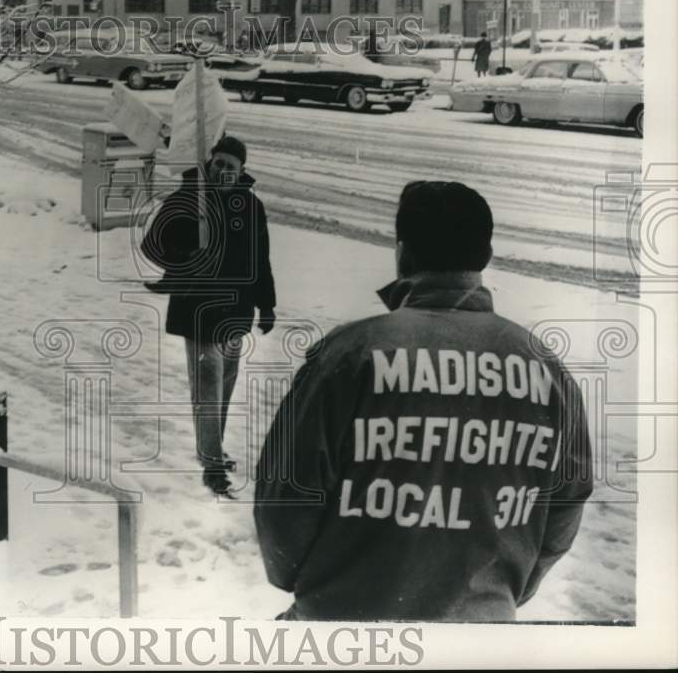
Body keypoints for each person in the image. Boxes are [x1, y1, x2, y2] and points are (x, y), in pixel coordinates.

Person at [254, 181, 592, 621]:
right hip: (481, 633)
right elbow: (567, 502)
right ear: (485, 257)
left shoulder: (351, 353)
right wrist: (502, 590)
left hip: (345, 629)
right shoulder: (544, 366)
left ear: (403, 254)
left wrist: (311, 583)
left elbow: (286, 499)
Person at [141, 135, 277, 498]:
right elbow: (152, 244)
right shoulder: (188, 200)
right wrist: (185, 256)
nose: (224, 172)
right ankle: (213, 465)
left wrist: (267, 305)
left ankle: (209, 449)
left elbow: (260, 259)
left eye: (231, 167)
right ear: (209, 163)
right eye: (219, 164)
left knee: (225, 386)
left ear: (242, 172)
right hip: (199, 310)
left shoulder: (252, 207)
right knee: (207, 387)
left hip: (236, 312)